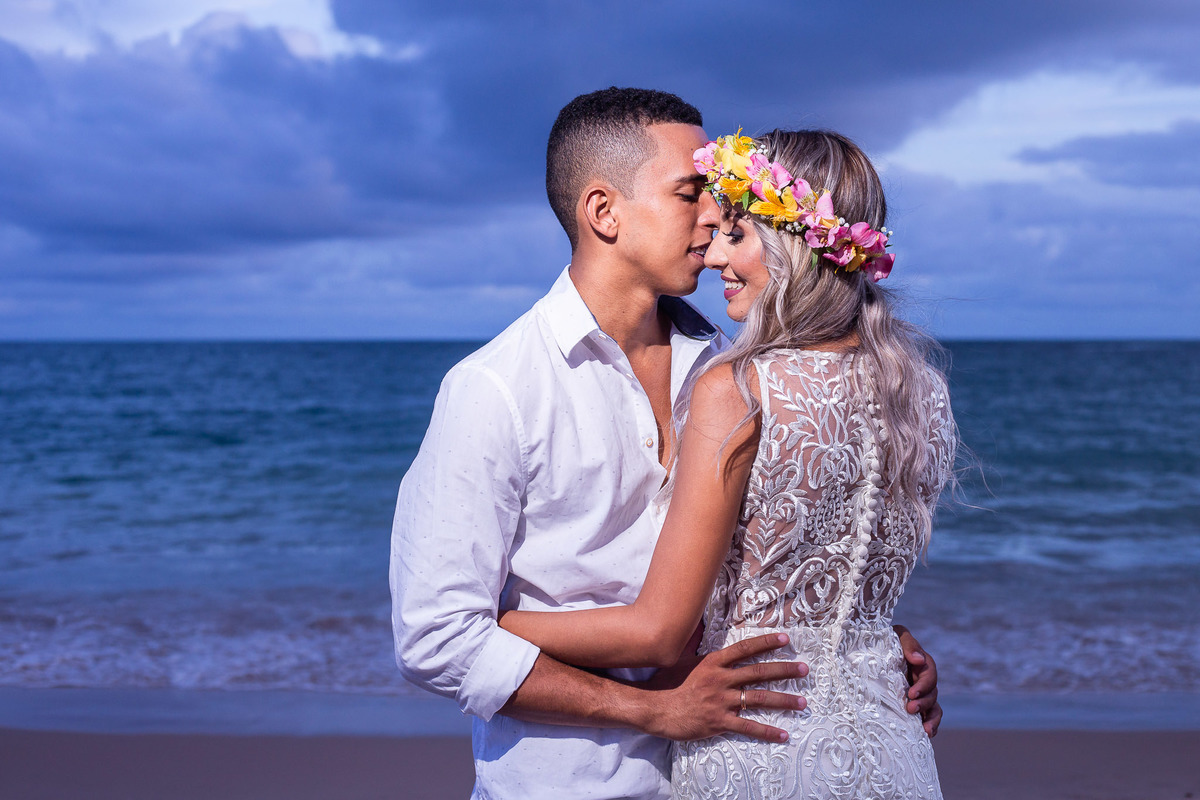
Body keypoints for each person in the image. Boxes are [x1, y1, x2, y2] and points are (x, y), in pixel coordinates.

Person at [390, 89, 941, 800]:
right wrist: (654, 710)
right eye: (690, 193)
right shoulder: (495, 389)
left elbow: (775, 560)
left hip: (736, 765)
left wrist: (868, 645)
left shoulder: (735, 372)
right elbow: (435, 639)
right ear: (603, 212)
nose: (715, 214)